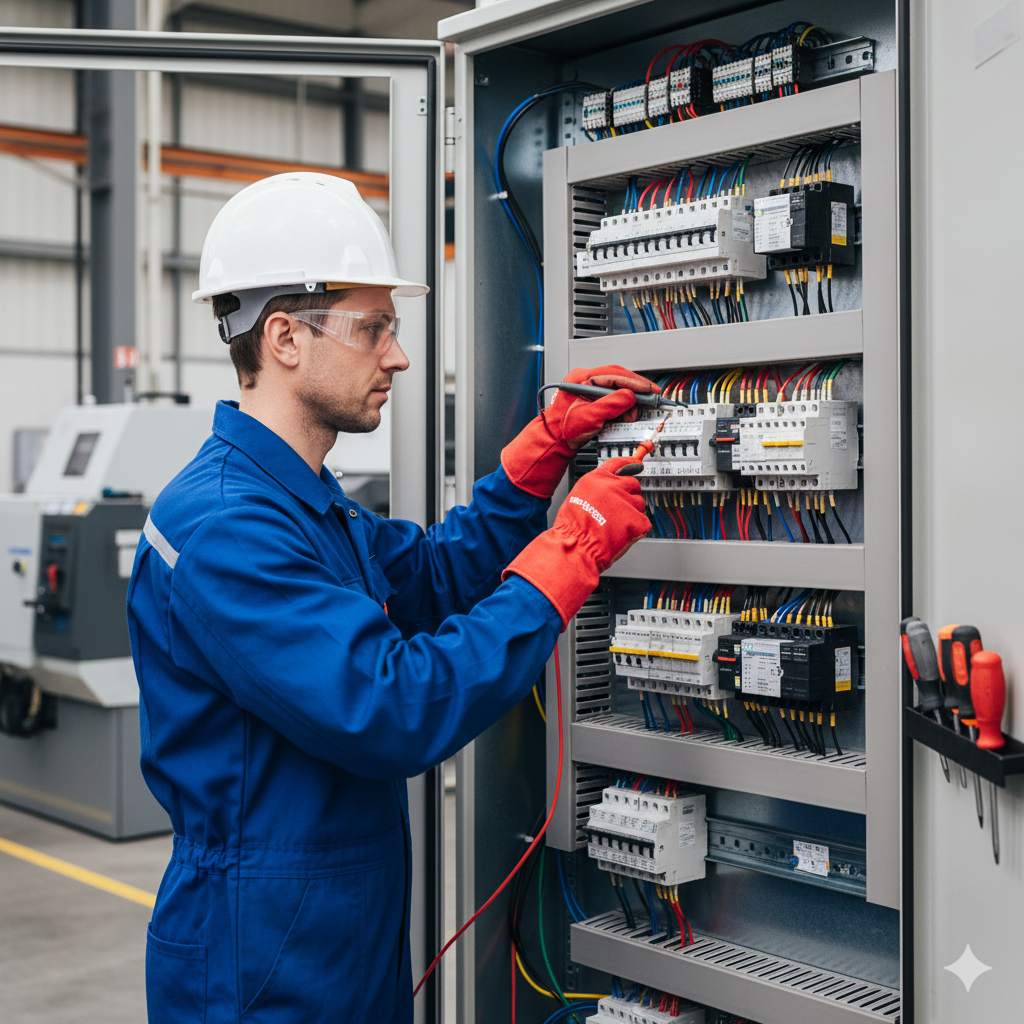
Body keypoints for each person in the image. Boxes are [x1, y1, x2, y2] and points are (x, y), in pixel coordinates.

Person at [127, 172, 653, 1024]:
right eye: (374, 330)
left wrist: (529, 471)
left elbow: (427, 577)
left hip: (335, 933)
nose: (398, 356)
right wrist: (574, 549)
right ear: (285, 337)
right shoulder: (225, 525)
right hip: (259, 958)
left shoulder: (298, 499)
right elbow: (392, 704)